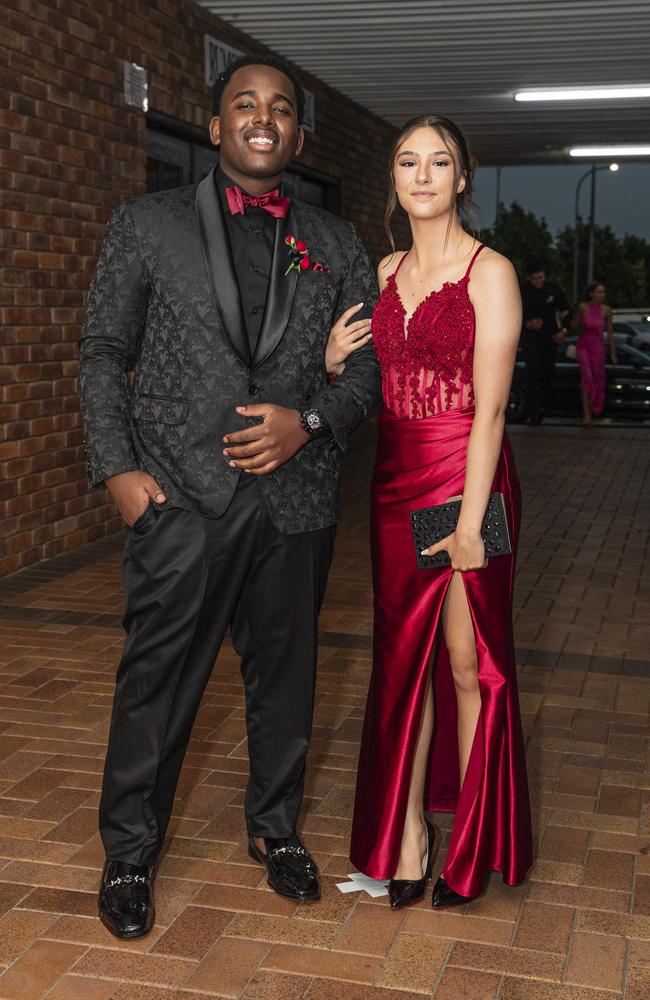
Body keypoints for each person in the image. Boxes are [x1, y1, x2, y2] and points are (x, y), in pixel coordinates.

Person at [78, 54, 379, 939]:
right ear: (215, 128)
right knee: (158, 684)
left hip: (297, 503)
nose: (262, 118)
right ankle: (129, 853)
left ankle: (275, 830)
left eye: (280, 109)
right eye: (243, 104)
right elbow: (101, 350)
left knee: (286, 681)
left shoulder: (336, 242)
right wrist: (119, 474)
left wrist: (311, 423)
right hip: (178, 501)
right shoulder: (147, 223)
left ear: (295, 132)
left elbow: (366, 372)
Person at [334, 114, 532, 909]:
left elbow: (489, 414)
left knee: (464, 664)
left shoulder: (492, 273)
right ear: (396, 179)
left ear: (462, 179)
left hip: (467, 482)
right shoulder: (383, 271)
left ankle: (475, 848)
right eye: (408, 162)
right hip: (393, 487)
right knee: (403, 669)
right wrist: (330, 358)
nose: (422, 176)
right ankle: (409, 837)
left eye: (438, 162)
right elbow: (374, 368)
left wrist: (470, 527)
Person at [521, 262, 571, 424]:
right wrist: (527, 324)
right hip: (531, 340)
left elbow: (566, 311)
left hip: (550, 339)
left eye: (541, 277)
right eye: (535, 278)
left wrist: (564, 331)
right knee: (532, 374)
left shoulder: (552, 289)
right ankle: (532, 411)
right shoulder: (523, 291)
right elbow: (511, 314)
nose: (538, 281)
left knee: (548, 374)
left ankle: (544, 408)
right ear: (529, 278)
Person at [575, 282, 617, 425]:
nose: (601, 295)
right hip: (584, 347)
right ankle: (586, 413)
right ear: (591, 293)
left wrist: (613, 353)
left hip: (598, 348)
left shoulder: (607, 310)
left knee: (596, 379)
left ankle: (592, 408)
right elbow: (577, 326)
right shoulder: (583, 307)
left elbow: (610, 333)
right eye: (598, 292)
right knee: (586, 378)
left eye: (603, 292)